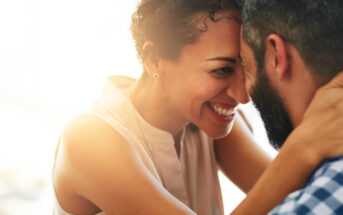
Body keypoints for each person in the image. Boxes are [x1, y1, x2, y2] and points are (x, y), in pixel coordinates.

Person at [53, 0, 343, 214]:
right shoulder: (89, 139)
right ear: (153, 59)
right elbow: (291, 172)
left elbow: (299, 188)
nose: (243, 96)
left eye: (245, 67)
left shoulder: (213, 124)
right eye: (220, 70)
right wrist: (302, 147)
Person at [236, 0, 343, 214]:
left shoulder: (305, 207)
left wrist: (303, 147)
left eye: (246, 68)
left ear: (277, 55)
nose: (243, 96)